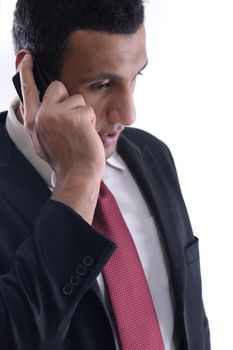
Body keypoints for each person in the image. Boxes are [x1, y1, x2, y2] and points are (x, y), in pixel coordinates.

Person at [0, 0, 210, 349]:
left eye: (135, 76)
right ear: (31, 75)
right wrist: (78, 181)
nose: (128, 113)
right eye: (101, 84)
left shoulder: (152, 156)